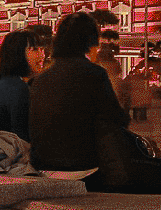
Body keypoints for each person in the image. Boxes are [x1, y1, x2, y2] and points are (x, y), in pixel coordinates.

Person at [29, 11, 130, 186]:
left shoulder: (40, 80)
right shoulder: (95, 74)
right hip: (82, 166)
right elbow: (117, 119)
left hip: (42, 166)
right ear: (90, 43)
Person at [0, 29, 46, 140]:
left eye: (42, 49)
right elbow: (24, 139)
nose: (42, 55)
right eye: (34, 49)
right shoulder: (17, 89)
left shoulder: (5, 84)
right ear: (18, 54)